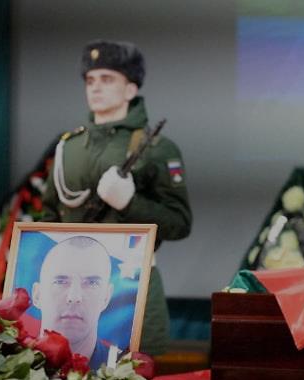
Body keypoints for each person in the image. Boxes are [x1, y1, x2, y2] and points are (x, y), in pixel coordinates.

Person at [41, 40, 192, 358]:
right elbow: (50, 219)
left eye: (107, 79)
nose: (96, 88)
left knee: (134, 379)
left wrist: (130, 204)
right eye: (90, 80)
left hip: (132, 287)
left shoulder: (157, 149)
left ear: (131, 89)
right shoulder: (68, 148)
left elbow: (179, 223)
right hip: (70, 294)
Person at [32, 236, 115, 369]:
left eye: (92, 283)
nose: (74, 297)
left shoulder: (124, 371)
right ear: (37, 295)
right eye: (60, 282)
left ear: (106, 297)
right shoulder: (5, 359)